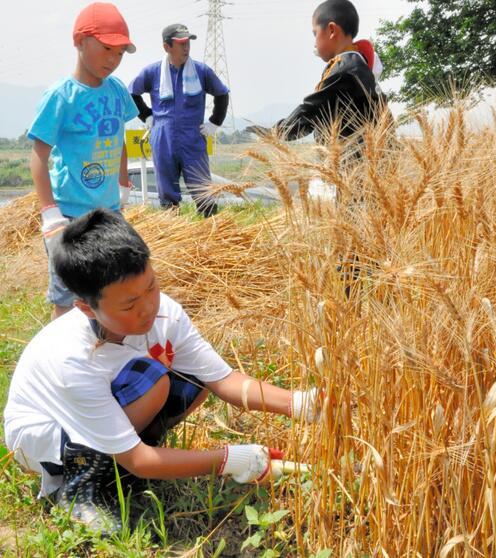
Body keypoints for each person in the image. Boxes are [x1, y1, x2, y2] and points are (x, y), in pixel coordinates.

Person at [4, 209, 321, 532]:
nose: (149, 308)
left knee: (191, 381)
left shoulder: (165, 313)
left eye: (152, 287)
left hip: (109, 414)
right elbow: (140, 462)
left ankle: (121, 462)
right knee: (152, 382)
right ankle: (81, 490)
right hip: (46, 440)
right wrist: (227, 459)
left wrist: (302, 404)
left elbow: (222, 379)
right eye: (129, 305)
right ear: (86, 308)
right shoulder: (71, 358)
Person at [28, 2, 139, 320]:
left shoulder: (117, 91)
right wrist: (50, 214)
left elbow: (118, 139)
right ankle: (59, 362)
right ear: (79, 42)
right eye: (106, 48)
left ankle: (102, 352)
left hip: (108, 213)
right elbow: (38, 156)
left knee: (109, 287)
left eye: (119, 53)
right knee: (66, 295)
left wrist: (123, 184)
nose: (113, 60)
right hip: (69, 215)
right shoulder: (61, 96)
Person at [248, 0, 386, 145]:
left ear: (332, 31)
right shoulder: (358, 65)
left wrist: (275, 133)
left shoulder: (344, 71)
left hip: (353, 162)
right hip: (367, 158)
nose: (314, 43)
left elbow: (311, 112)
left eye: (315, 33)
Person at [128, 24, 229, 217]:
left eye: (188, 43)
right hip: (163, 138)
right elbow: (132, 93)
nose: (186, 48)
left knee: (203, 190)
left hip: (193, 138)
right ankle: (174, 233)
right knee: (167, 192)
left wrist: (214, 122)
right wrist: (147, 116)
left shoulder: (201, 71)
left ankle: (211, 231)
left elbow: (222, 93)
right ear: (167, 47)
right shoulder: (152, 72)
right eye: (181, 43)